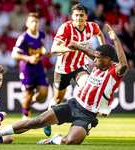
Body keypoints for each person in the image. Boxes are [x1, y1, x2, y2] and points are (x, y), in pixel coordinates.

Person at [0, 24, 128, 145]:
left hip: (88, 115)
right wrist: (79, 47)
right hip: (74, 105)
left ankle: (54, 140)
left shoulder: (114, 72)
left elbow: (124, 65)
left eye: (97, 58)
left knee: (70, 141)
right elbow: (92, 53)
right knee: (36, 121)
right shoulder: (99, 63)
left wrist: (116, 40)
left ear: (107, 59)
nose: (93, 60)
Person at [43, 3, 105, 136]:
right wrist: (70, 48)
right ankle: (48, 118)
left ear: (86, 17)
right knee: (58, 99)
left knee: (87, 88)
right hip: (63, 68)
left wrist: (103, 49)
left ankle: (82, 122)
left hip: (80, 65)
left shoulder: (91, 27)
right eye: (76, 15)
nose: (79, 18)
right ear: (72, 16)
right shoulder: (66, 27)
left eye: (81, 15)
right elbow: (54, 48)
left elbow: (99, 33)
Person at [11, 13, 51, 121]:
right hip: (27, 71)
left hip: (39, 69)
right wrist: (29, 58)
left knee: (43, 94)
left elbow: (41, 47)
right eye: (32, 22)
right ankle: (26, 116)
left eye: (36, 22)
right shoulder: (23, 38)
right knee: (28, 94)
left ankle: (30, 102)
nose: (34, 24)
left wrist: (45, 51)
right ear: (27, 24)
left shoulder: (42, 35)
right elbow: (14, 54)